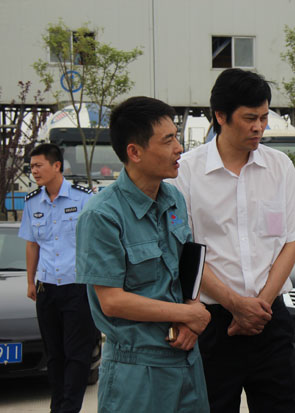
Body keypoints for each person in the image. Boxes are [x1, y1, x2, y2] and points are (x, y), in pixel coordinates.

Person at [170, 68, 295, 413]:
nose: (259, 127)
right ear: (220, 116)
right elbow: (185, 251)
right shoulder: (186, 172)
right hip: (213, 322)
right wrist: (235, 304)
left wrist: (259, 307)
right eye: (250, 118)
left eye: (264, 118)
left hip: (270, 319)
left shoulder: (279, 166)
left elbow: (291, 241)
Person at [75, 96, 211, 413]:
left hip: (186, 358)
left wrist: (190, 314)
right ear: (134, 152)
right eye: (168, 140)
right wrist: (187, 314)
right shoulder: (103, 215)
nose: (179, 148)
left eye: (177, 137)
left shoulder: (173, 199)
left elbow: (183, 269)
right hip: (136, 370)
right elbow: (112, 301)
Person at [18, 143, 98, 413]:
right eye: (31, 167)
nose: (34, 171)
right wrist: (30, 281)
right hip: (46, 288)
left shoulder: (83, 198)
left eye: (38, 165)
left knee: (77, 354)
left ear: (56, 166)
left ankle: (69, 408)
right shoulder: (32, 202)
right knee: (54, 354)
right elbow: (32, 244)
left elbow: (96, 240)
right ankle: (58, 406)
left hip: (77, 287)